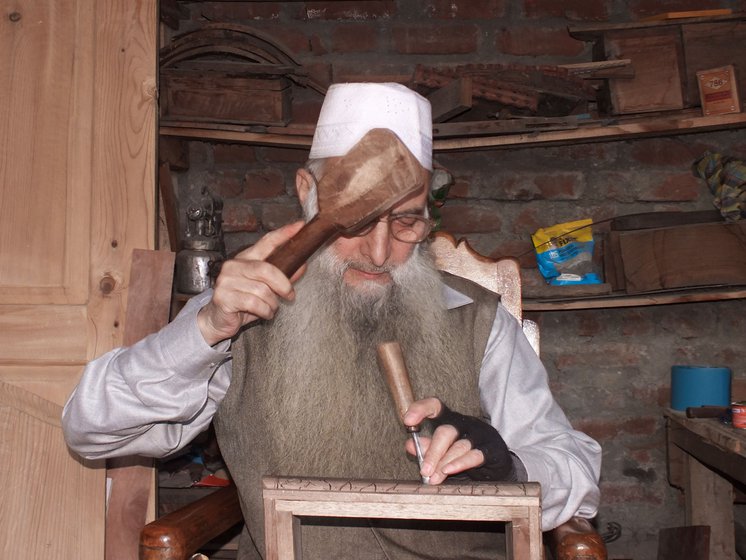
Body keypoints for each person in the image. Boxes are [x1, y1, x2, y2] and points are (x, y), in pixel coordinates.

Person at [63, 82, 601, 559]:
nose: (379, 250)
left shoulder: (477, 322)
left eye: (407, 220)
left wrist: (506, 466)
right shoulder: (242, 318)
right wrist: (207, 329)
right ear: (307, 194)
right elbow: (90, 430)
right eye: (358, 220)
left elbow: (575, 469)